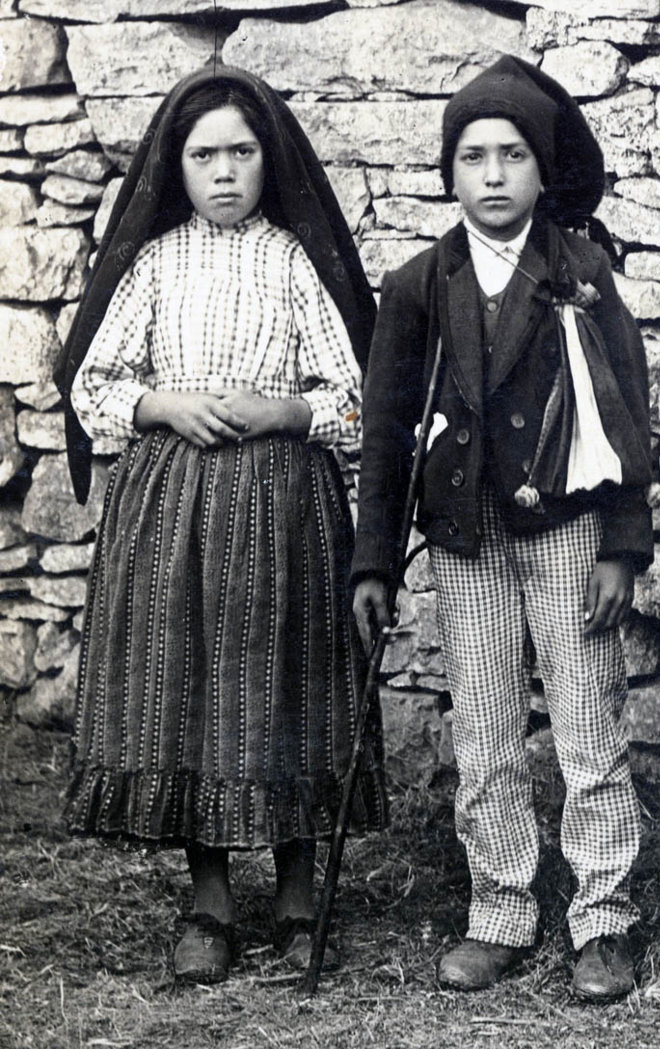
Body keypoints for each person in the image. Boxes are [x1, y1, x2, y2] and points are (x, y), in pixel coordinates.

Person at [54, 66, 387, 984]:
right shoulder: (156, 262)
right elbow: (93, 384)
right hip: (173, 504)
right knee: (188, 682)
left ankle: (295, 888)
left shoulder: (291, 260)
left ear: (268, 159)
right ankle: (207, 898)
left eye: (243, 151)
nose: (226, 171)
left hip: (284, 503)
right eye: (205, 155)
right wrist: (162, 403)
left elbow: (354, 396)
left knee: (286, 681)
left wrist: (285, 413)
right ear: (178, 166)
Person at [351, 55, 653, 1002]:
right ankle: (501, 904)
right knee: (483, 723)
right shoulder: (417, 285)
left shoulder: (581, 270)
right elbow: (387, 427)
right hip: (464, 534)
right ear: (449, 172)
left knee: (585, 715)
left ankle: (603, 916)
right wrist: (374, 560)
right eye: (473, 155)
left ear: (541, 168)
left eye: (512, 155)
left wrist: (621, 542)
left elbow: (628, 412)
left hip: (566, 528)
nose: (492, 174)